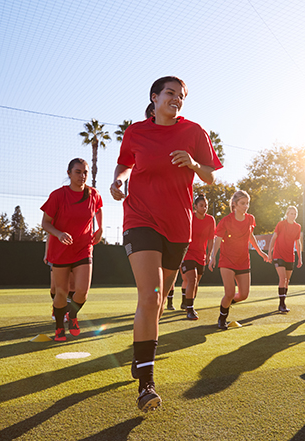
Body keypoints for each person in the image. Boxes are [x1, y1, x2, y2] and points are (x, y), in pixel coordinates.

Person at [110, 76, 222, 412]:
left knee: (157, 305)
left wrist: (193, 163)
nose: (177, 99)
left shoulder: (195, 132)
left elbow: (211, 175)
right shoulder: (136, 132)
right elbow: (124, 163)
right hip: (140, 219)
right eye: (170, 94)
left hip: (179, 227)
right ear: (155, 98)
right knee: (151, 294)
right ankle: (146, 384)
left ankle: (139, 353)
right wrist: (118, 180)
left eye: (181, 96)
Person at [41, 158, 103, 343]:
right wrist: (59, 234)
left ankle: (72, 316)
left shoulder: (93, 194)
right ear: (69, 173)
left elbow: (98, 208)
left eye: (85, 172)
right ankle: (60, 327)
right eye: (78, 172)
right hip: (60, 249)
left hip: (84, 247)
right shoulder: (58, 195)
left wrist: (100, 227)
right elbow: (45, 223)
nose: (82, 176)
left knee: (82, 291)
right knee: (60, 292)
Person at [208, 190, 269, 330]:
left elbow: (250, 236)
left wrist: (260, 252)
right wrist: (213, 257)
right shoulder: (226, 221)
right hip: (227, 261)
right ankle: (222, 319)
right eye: (242, 203)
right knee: (229, 293)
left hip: (243, 261)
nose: (245, 206)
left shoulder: (250, 219)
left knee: (243, 295)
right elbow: (217, 240)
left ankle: (227, 302)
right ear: (234, 204)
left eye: (247, 203)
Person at [179, 194, 216, 320]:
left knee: (196, 283)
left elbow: (211, 239)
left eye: (206, 206)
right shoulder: (190, 217)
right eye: (201, 205)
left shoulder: (211, 220)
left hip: (201, 255)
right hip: (188, 254)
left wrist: (209, 255)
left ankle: (186, 301)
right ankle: (190, 309)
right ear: (195, 206)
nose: (204, 208)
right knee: (192, 279)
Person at [267, 206, 303, 313]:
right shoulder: (281, 224)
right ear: (287, 214)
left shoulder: (298, 227)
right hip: (278, 254)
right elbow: (274, 238)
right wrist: (270, 253)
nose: (293, 215)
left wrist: (300, 257)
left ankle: (282, 302)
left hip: (290, 256)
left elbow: (298, 243)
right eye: (291, 213)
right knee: (282, 279)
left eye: (295, 213)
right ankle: (282, 304)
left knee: (287, 280)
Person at [45, 234, 75, 322]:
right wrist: (46, 253)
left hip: (74, 255)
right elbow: (49, 236)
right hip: (57, 255)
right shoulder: (57, 222)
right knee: (54, 288)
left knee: (72, 286)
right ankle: (56, 307)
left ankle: (67, 312)